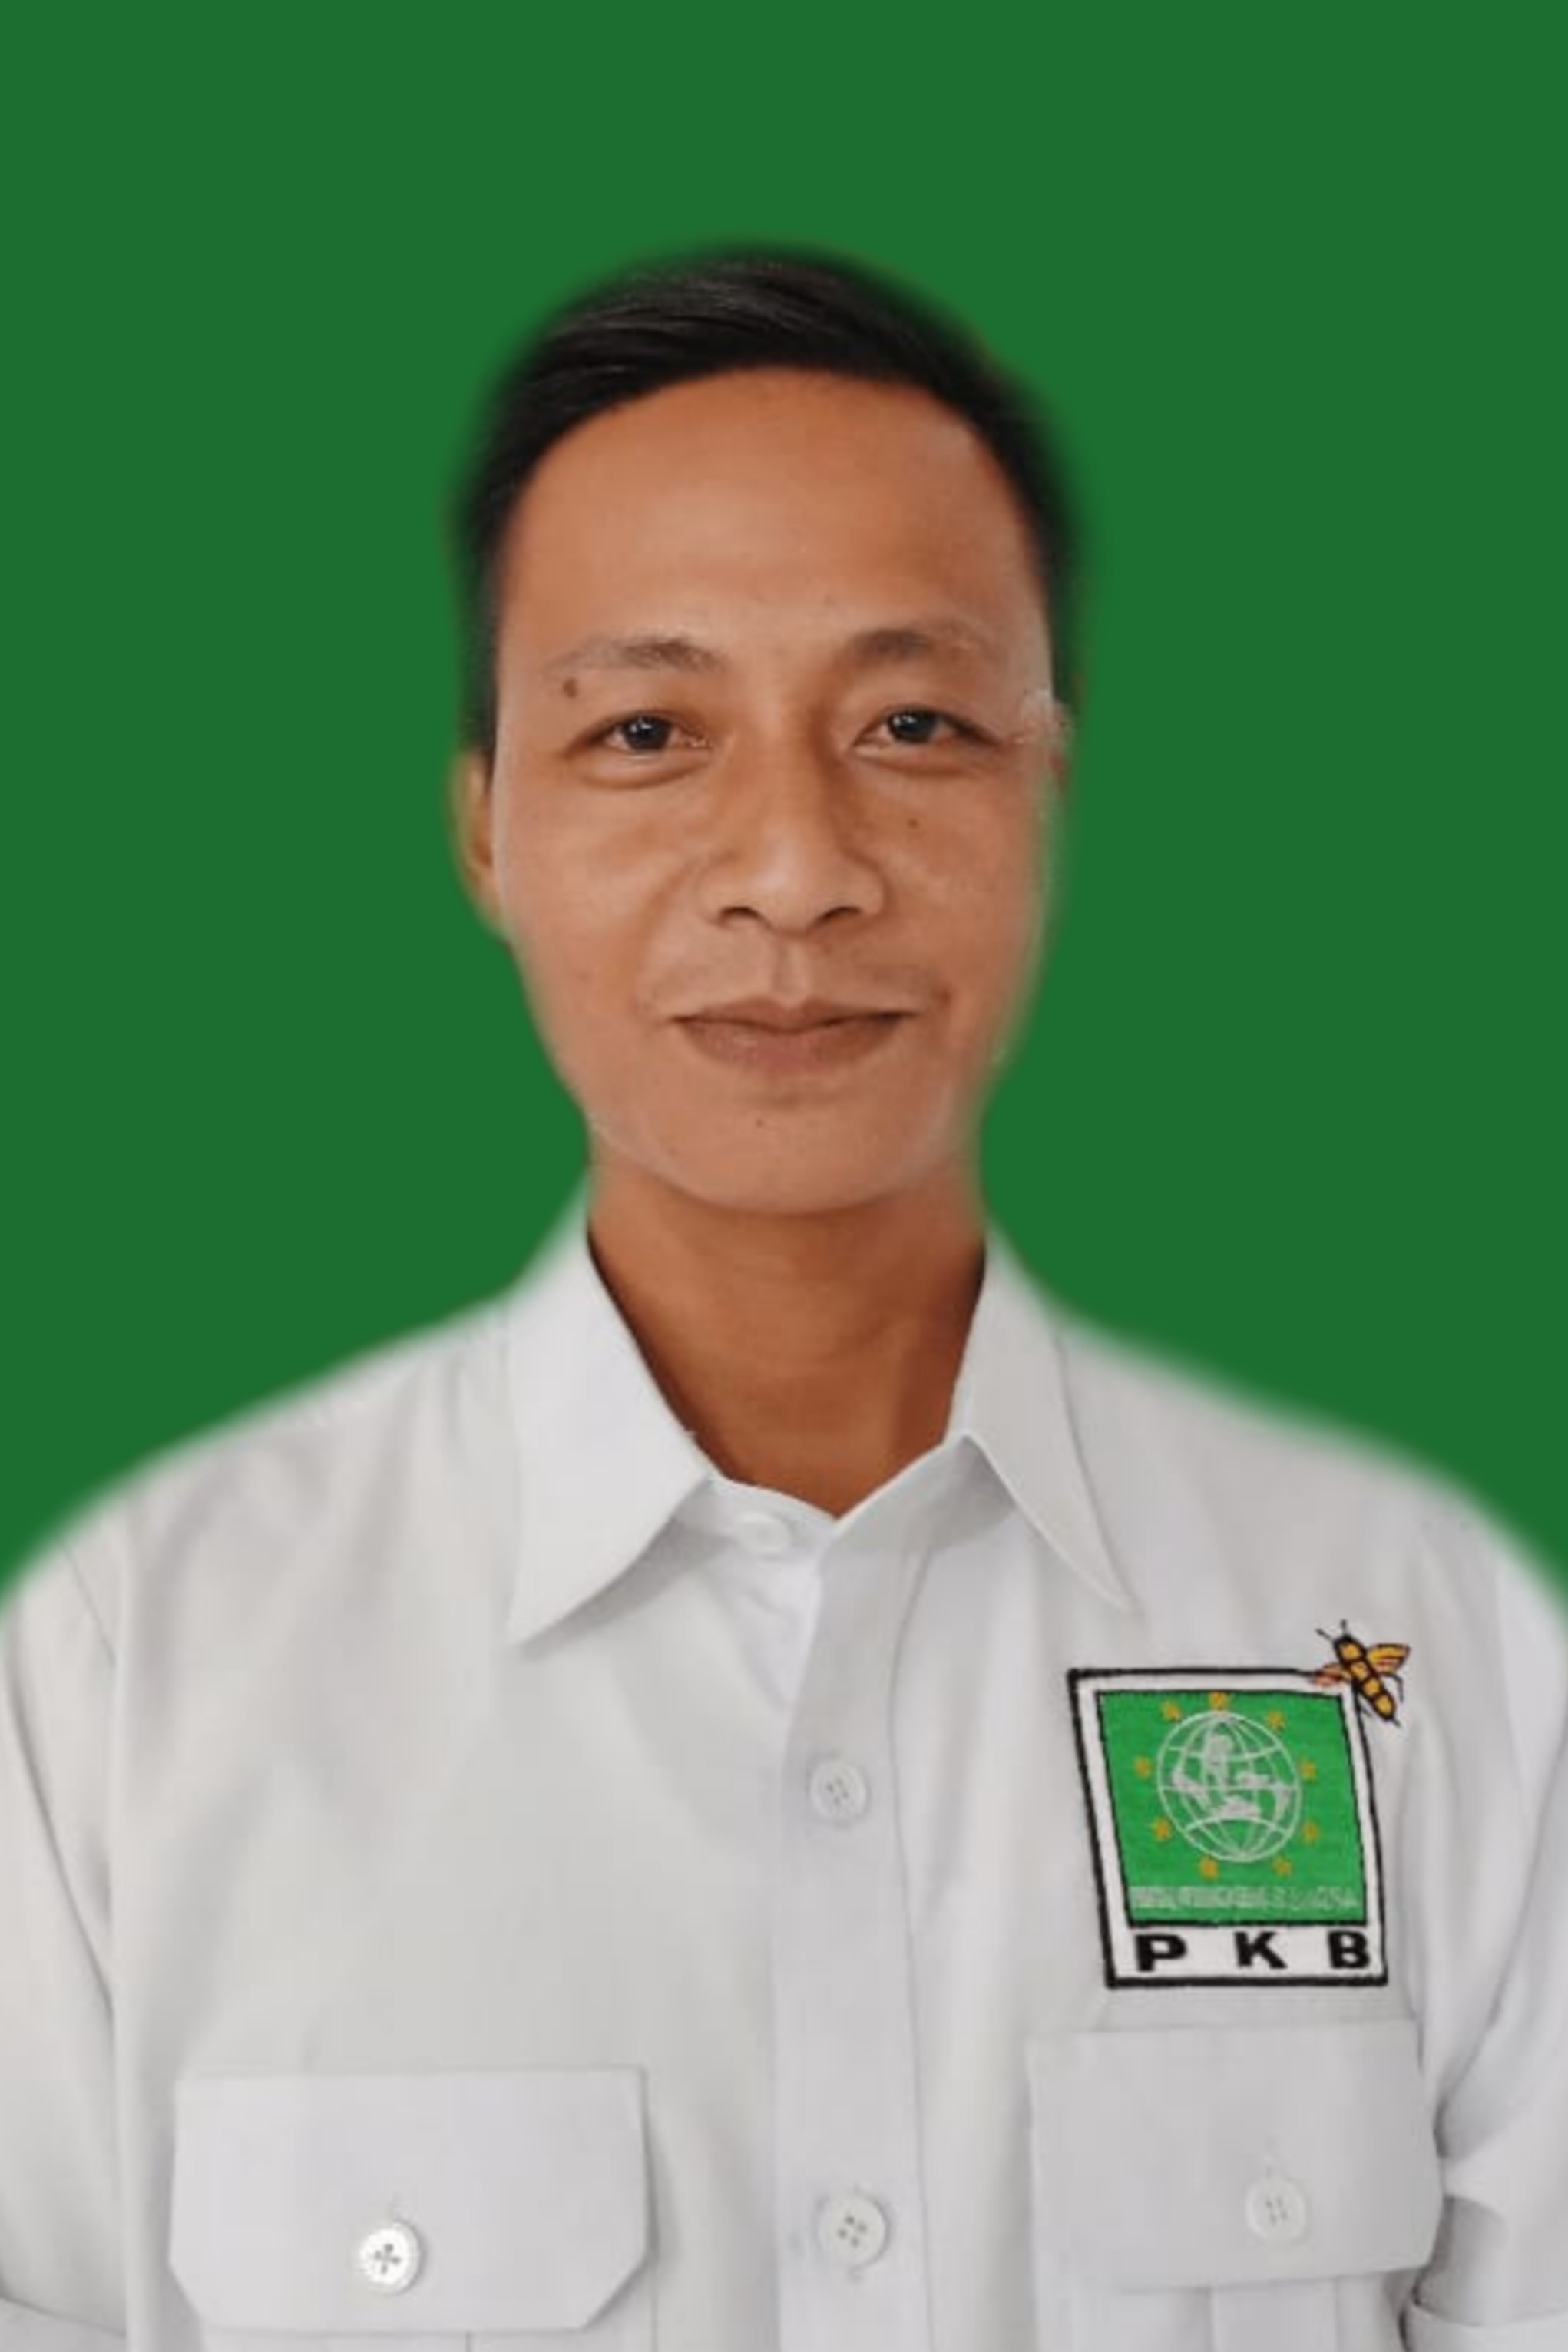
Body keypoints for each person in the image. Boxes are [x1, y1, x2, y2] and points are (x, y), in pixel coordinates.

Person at [2, 245, 1564, 2352]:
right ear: (486, 831)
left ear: (1052, 795)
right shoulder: (131, 1675)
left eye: (913, 723)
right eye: (647, 730)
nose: (796, 869)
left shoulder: (1409, 1633)